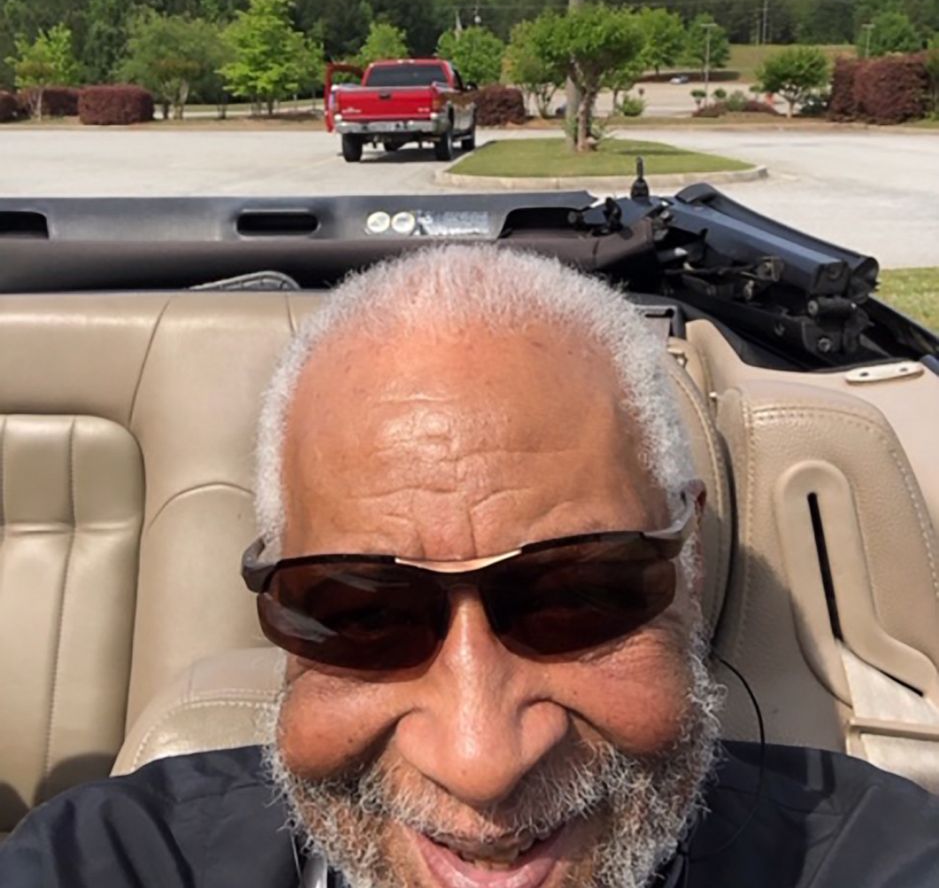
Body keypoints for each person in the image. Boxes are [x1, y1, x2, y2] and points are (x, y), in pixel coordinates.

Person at [1, 246, 937, 887]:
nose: (481, 763)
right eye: (361, 611)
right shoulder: (115, 860)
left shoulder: (871, 857)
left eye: (579, 597)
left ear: (687, 564)